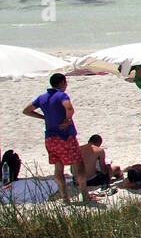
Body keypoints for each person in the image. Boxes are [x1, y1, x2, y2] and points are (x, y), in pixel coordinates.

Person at [22, 72, 90, 204]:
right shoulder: (62, 95)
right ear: (62, 83)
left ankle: (65, 197)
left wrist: (43, 117)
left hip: (50, 138)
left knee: (58, 168)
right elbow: (69, 107)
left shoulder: (42, 98)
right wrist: (67, 119)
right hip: (65, 136)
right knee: (78, 165)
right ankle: (85, 195)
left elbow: (26, 110)